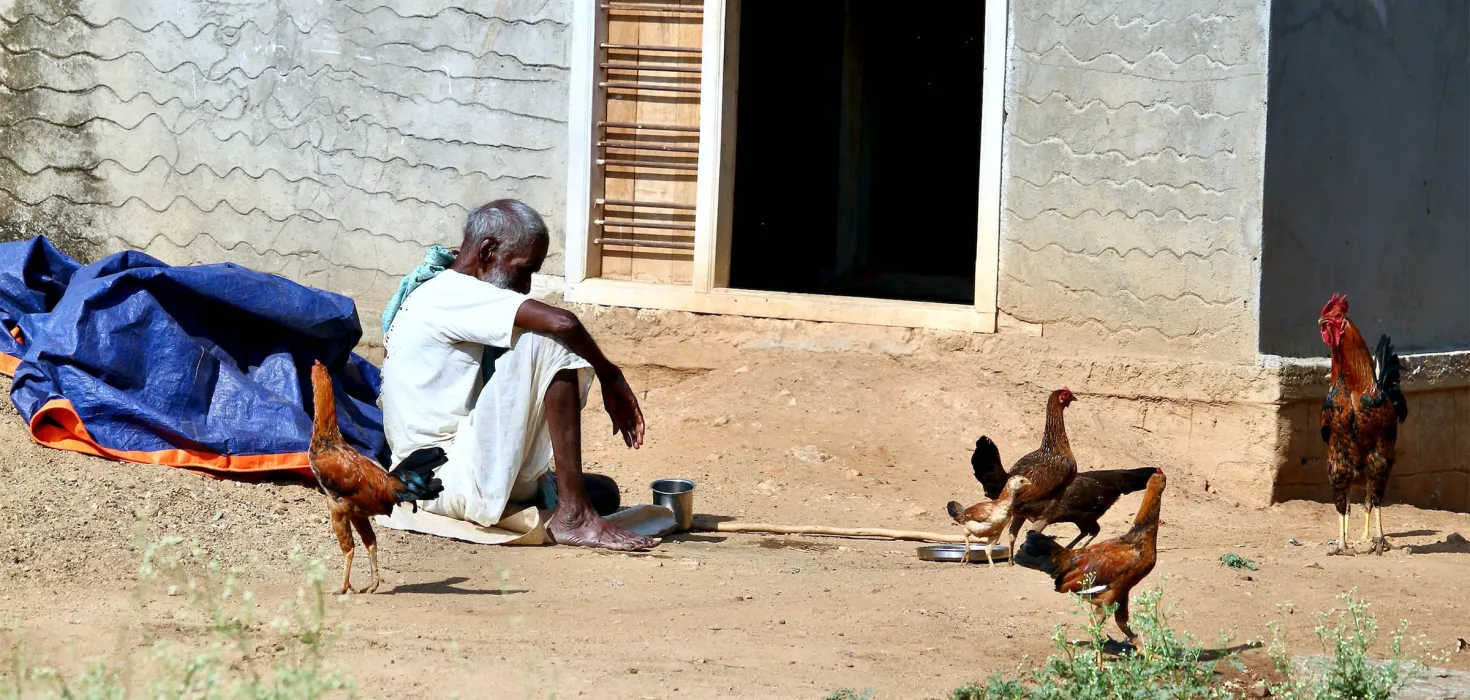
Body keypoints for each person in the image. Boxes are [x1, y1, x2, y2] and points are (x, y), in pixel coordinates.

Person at [379, 199, 658, 550]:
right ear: (488, 251)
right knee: (548, 341)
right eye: (523, 270)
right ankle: (574, 516)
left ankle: (573, 505)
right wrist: (610, 375)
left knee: (605, 491)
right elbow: (563, 322)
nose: (525, 286)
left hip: (445, 469)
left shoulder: (441, 291)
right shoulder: (453, 292)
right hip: (438, 480)